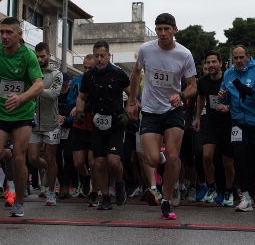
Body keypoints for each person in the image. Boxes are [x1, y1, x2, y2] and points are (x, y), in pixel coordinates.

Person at [127, 13, 197, 221]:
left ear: (175, 30)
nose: (163, 33)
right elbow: (136, 72)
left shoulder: (184, 54)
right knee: (150, 159)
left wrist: (181, 96)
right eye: (159, 29)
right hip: (150, 111)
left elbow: (193, 85)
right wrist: (132, 100)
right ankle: (163, 159)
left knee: (175, 157)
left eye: (167, 29)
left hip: (172, 110)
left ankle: (166, 201)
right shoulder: (146, 50)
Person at [0, 17, 43, 218]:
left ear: (19, 34)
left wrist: (20, 98)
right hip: (0, 110)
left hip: (22, 112)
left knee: (21, 158)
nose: (4, 36)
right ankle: (7, 155)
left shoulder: (28, 56)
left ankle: (18, 201)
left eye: (9, 32)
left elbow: (38, 85)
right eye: (2, 32)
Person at [77, 40, 130, 210]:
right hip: (98, 122)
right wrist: (79, 112)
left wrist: (126, 113)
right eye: (96, 56)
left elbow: (133, 95)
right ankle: (105, 197)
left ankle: (120, 184)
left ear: (109, 56)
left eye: (102, 56)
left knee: (113, 161)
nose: (99, 59)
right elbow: (81, 97)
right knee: (98, 163)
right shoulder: (88, 76)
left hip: (116, 122)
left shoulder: (118, 73)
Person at [217, 45, 255, 212]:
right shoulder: (228, 74)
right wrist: (223, 98)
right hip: (238, 122)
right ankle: (246, 198)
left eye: (241, 57)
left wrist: (250, 92)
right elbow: (226, 98)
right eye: (236, 58)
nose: (239, 60)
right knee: (239, 158)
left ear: (248, 57)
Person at [193, 50, 235, 206]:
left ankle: (229, 190)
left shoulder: (229, 80)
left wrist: (228, 107)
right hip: (210, 122)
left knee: (227, 162)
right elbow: (201, 98)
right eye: (208, 62)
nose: (210, 65)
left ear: (220, 63)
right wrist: (198, 118)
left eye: (213, 62)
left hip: (227, 123)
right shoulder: (203, 81)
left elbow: (238, 99)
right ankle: (211, 187)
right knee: (206, 155)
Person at [29, 42, 63, 206]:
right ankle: (51, 174)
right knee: (33, 159)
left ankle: (51, 192)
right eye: (37, 56)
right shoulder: (30, 72)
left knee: (50, 158)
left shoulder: (57, 74)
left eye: (42, 56)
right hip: (34, 124)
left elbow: (53, 94)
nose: (39, 59)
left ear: (49, 55)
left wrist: (35, 89)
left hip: (51, 124)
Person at [71, 54, 96, 205]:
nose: (86, 71)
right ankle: (86, 176)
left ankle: (94, 191)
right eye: (84, 67)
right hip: (79, 125)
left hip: (94, 127)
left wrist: (83, 106)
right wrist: (75, 106)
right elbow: (70, 100)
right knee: (78, 163)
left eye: (89, 68)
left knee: (93, 161)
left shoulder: (99, 81)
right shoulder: (76, 81)